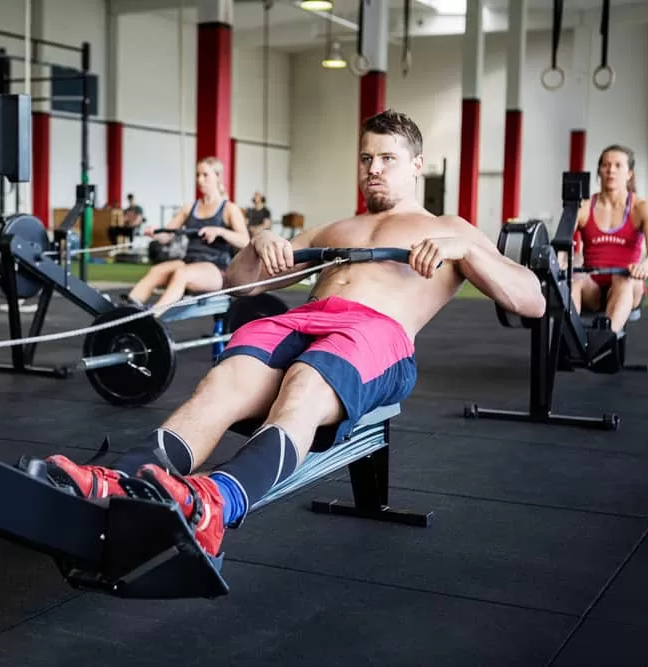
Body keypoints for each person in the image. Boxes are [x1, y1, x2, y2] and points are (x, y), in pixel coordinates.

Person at [41, 110, 545, 558]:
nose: (373, 169)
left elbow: (532, 300)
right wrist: (258, 243)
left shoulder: (450, 227)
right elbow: (242, 285)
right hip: (300, 322)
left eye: (388, 159)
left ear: (417, 165)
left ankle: (217, 500)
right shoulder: (335, 230)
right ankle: (121, 479)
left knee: (304, 383)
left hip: (375, 335)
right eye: (367, 158)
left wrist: (469, 252)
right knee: (224, 382)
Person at [122, 157, 249, 310]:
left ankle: (152, 315)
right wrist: (155, 233)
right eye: (197, 175)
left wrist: (220, 231)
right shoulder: (190, 207)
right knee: (157, 270)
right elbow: (167, 235)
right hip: (190, 262)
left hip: (216, 268)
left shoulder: (229, 208)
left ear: (217, 176)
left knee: (182, 273)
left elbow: (245, 241)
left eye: (205, 175)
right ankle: (127, 310)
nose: (200, 180)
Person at [571, 144, 648, 333]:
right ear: (599, 171)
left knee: (623, 280)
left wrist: (645, 266)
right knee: (575, 281)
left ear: (629, 173)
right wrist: (563, 264)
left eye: (618, 165)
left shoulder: (642, 208)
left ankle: (604, 343)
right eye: (605, 165)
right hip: (592, 288)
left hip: (628, 284)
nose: (611, 170)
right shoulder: (583, 208)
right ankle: (568, 340)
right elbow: (563, 246)